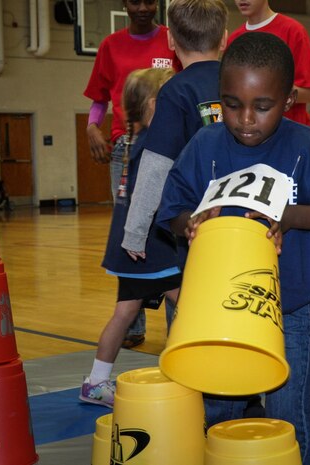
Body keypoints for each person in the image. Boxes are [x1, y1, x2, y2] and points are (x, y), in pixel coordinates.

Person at [156, 32, 310, 465]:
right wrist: (190, 224)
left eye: (262, 106)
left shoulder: (309, 148)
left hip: (289, 303)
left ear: (288, 99)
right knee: (219, 409)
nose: (245, 119)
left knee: (289, 414)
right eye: (231, 104)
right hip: (214, 305)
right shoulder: (205, 145)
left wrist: (291, 216)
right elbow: (172, 209)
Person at [121, 0, 228, 328]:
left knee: (194, 305)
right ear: (224, 38)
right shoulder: (244, 79)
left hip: (195, 220)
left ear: (170, 41)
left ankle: (193, 365)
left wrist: (135, 231)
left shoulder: (175, 90)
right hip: (246, 213)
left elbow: (155, 165)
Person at [83, 0, 180, 350]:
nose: (143, 7)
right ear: (123, 4)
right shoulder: (111, 45)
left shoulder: (173, 40)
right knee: (130, 219)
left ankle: (178, 331)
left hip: (168, 143)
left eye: (149, 1)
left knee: (167, 233)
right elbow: (98, 98)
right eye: (135, 1)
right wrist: (92, 127)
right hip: (125, 145)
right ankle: (133, 323)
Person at [79, 67, 178, 408]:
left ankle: (96, 382)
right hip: (150, 248)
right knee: (190, 304)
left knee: (124, 314)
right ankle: (186, 374)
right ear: (153, 105)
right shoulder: (155, 143)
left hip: (130, 248)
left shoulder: (131, 141)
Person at [227, 0, 310, 126]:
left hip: (287, 132)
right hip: (246, 132)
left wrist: (266, 91)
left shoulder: (293, 30)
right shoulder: (234, 39)